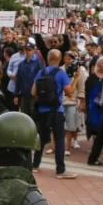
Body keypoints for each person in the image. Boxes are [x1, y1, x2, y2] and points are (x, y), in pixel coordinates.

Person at [31, 49, 78, 179]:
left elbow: (33, 92)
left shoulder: (41, 72)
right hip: (57, 111)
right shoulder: (61, 73)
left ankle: (35, 165)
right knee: (59, 140)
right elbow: (69, 92)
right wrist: (76, 79)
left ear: (48, 58)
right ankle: (60, 170)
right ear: (60, 59)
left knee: (41, 139)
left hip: (42, 110)